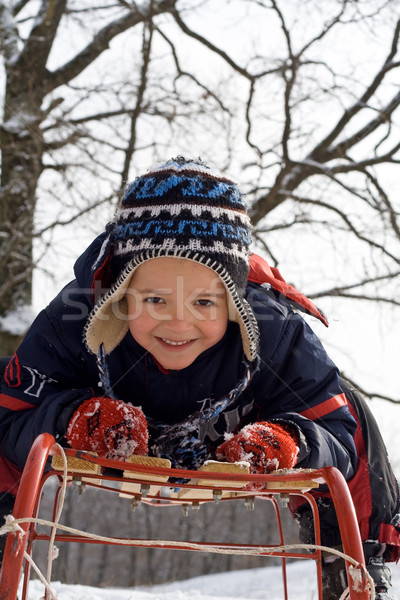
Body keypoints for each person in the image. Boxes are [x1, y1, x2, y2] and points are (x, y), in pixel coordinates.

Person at [0, 157, 398, 598]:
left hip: (233, 441)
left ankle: (357, 565)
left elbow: (334, 430)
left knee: (352, 412)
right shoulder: (73, 319)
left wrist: (290, 438)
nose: (178, 324)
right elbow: (15, 411)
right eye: (154, 299)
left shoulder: (275, 330)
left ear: (234, 302)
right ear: (121, 294)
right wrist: (71, 418)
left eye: (204, 303)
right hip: (108, 431)